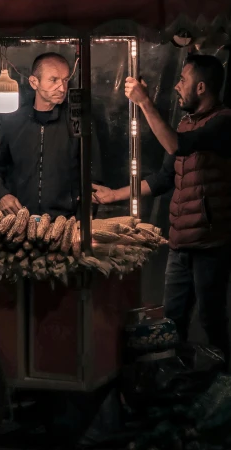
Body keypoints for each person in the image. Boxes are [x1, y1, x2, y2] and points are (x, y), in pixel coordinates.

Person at [93, 54, 231, 364]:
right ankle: (179, 381)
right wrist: (113, 195)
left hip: (210, 244)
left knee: (211, 321)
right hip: (180, 243)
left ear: (201, 87)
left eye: (183, 80)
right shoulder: (185, 123)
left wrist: (144, 103)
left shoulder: (223, 122)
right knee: (172, 320)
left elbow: (177, 146)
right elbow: (162, 180)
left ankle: (224, 387)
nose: (178, 86)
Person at [0, 52, 102, 219]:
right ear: (34, 82)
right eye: (54, 80)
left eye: (65, 80)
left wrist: (83, 218)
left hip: (65, 222)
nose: (62, 88)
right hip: (20, 221)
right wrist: (1, 195)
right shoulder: (13, 121)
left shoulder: (77, 119)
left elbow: (94, 175)